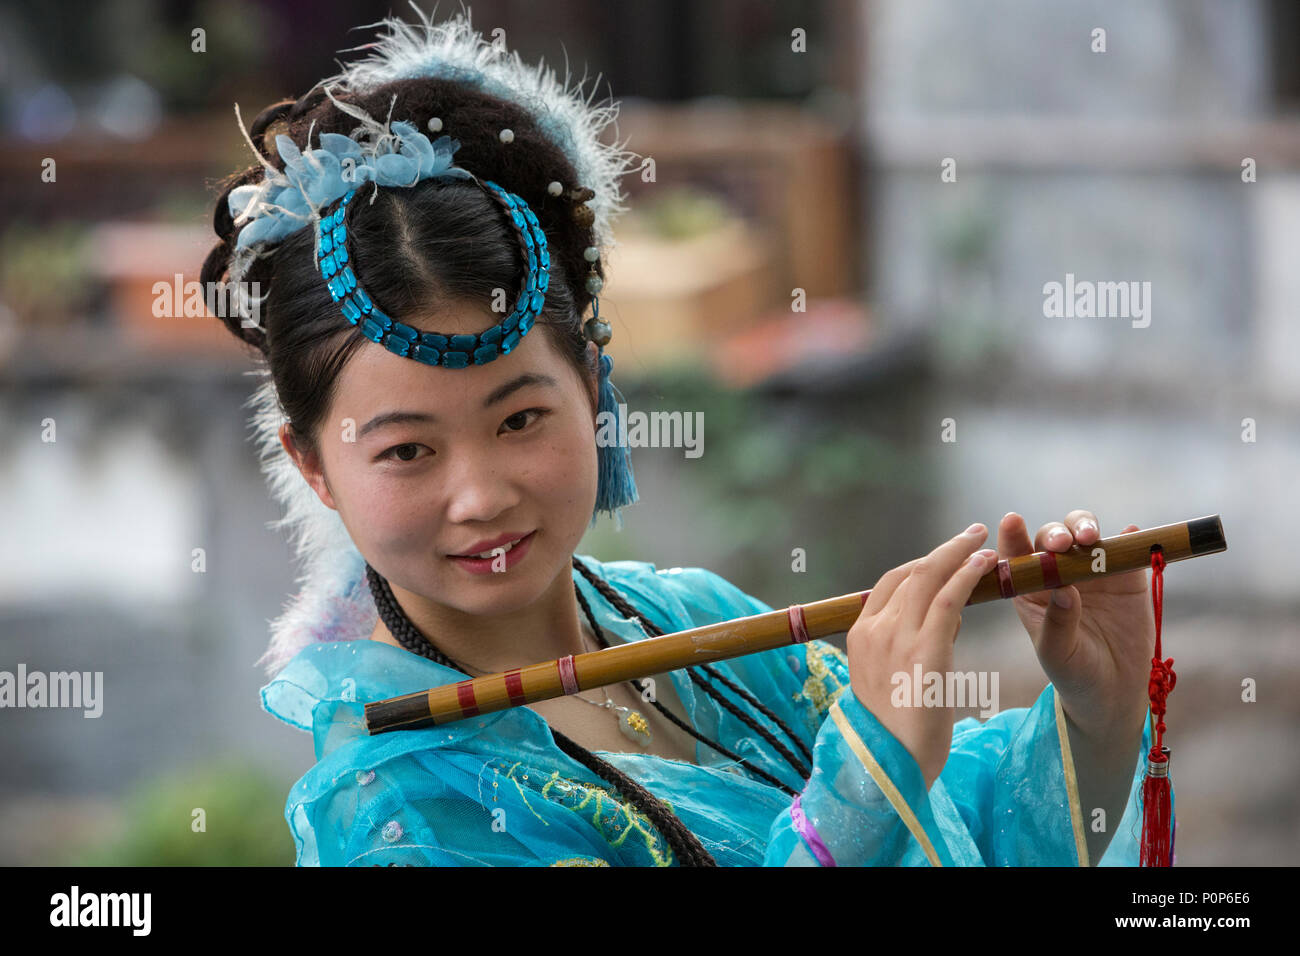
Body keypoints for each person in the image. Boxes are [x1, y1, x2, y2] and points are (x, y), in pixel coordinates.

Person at [203, 6, 1160, 866]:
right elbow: (880, 799)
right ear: (313, 466)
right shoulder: (398, 819)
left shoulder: (697, 624)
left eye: (521, 417)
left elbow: (972, 831)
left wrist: (1094, 716)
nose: (482, 494)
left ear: (593, 388)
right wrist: (866, 784)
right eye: (408, 450)